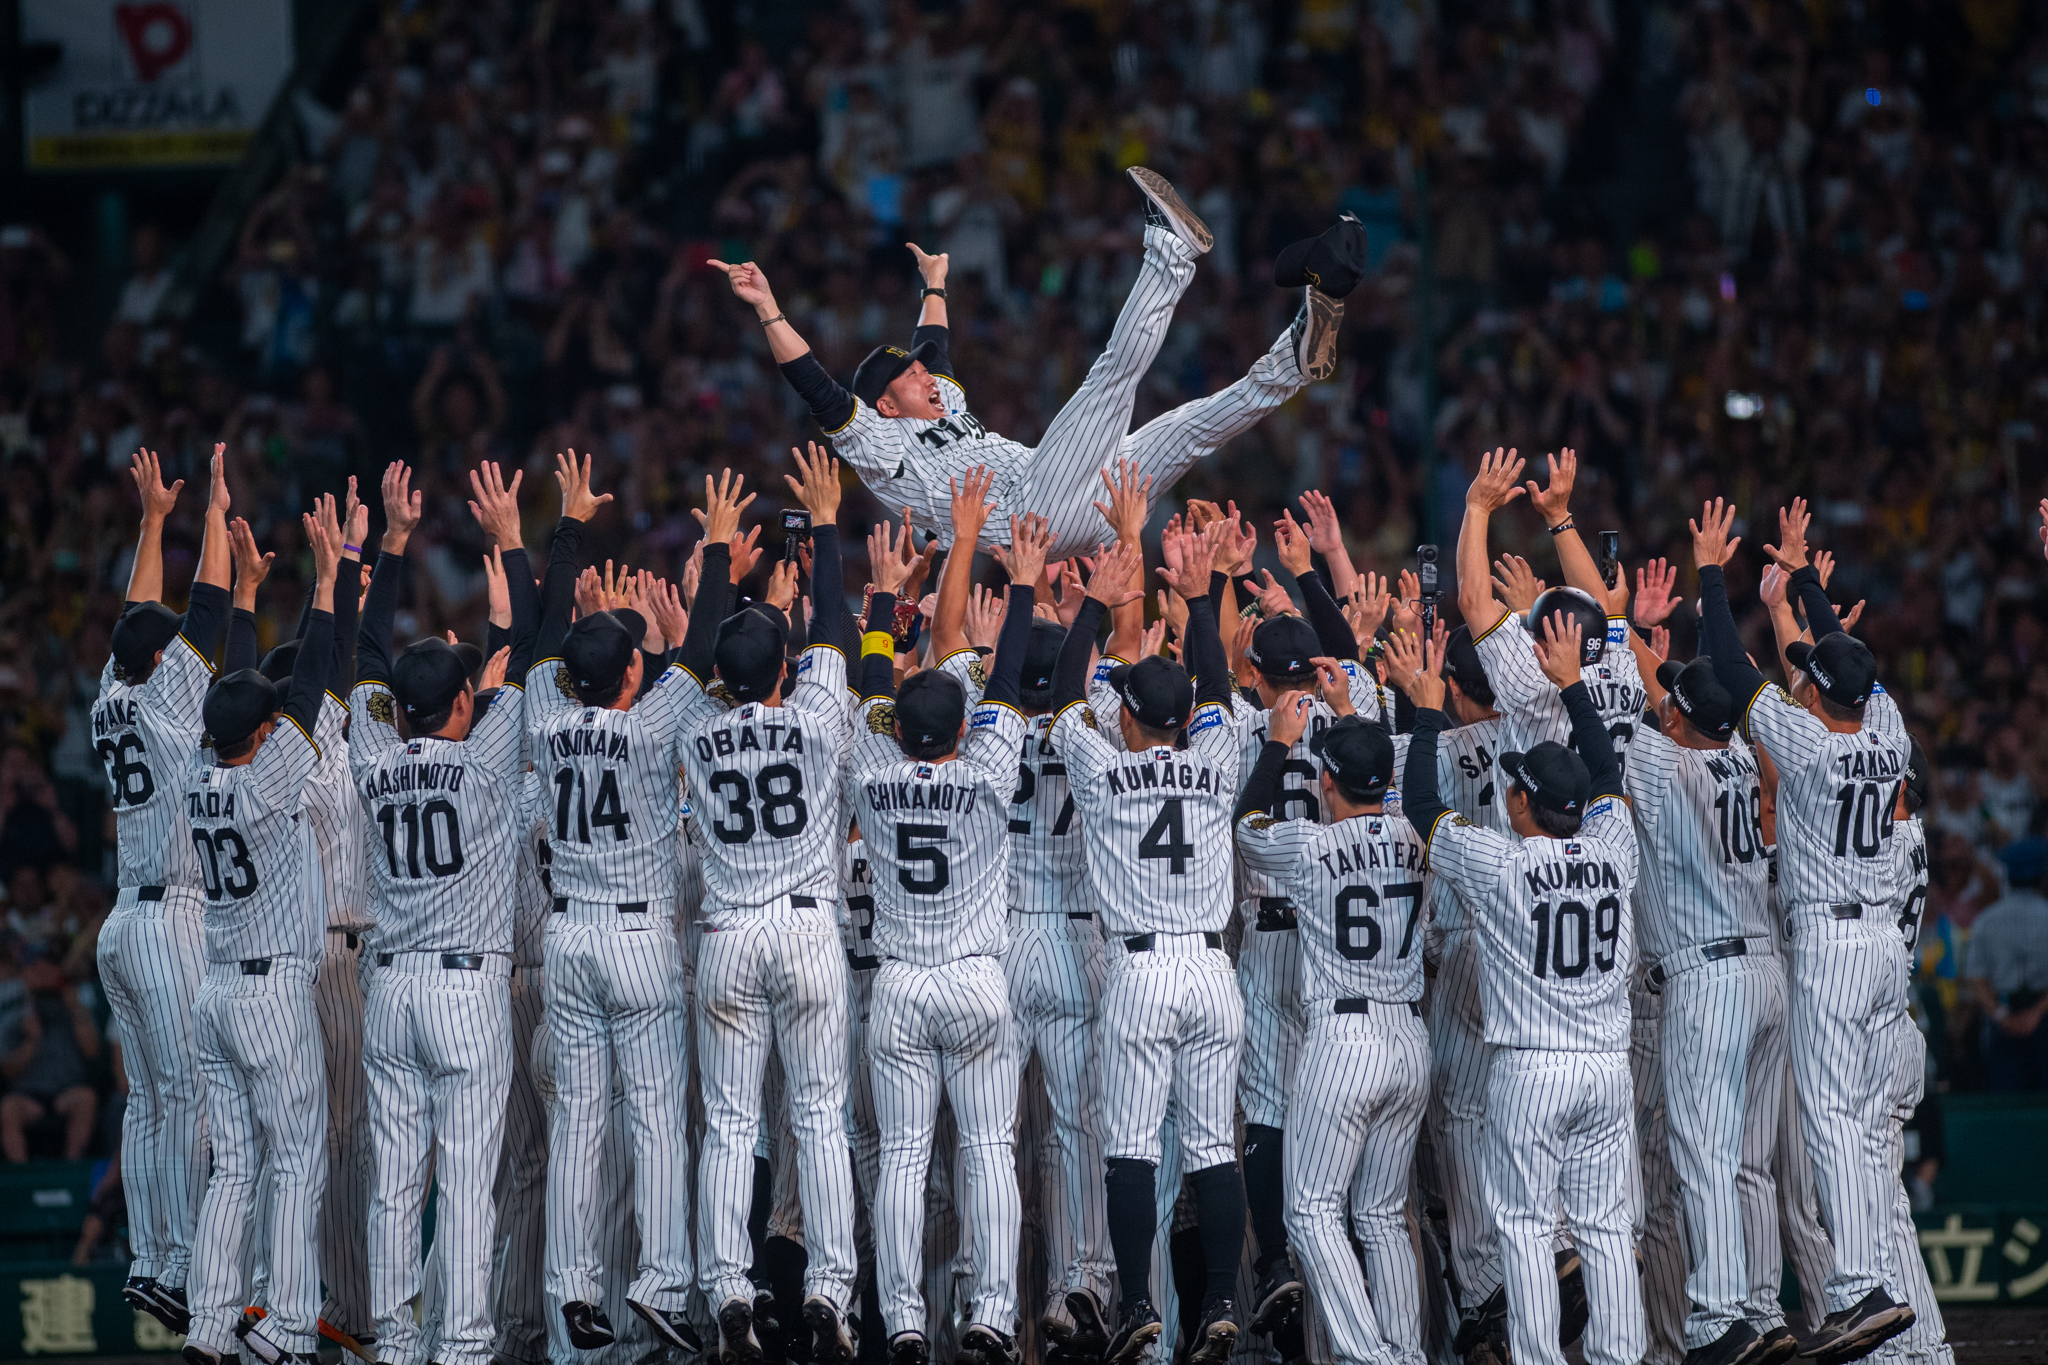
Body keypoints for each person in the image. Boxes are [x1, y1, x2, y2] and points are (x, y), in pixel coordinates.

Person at [711, 169, 1366, 557]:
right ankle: (1169, 252)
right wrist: (768, 307)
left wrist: (935, 284)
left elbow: (934, 348)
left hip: (1081, 503)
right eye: (907, 377)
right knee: (1111, 376)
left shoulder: (944, 400)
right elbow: (819, 391)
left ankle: (1295, 359)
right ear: (885, 402)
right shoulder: (879, 441)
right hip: (1028, 518)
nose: (924, 374)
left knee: (1190, 427)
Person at [1693, 498, 1917, 1365]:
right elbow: (1855, 667)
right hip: (1883, 950)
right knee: (1857, 1125)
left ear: (1820, 692)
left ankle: (1860, 1284)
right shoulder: (1888, 728)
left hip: (1826, 938)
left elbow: (1725, 662)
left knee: (1829, 1117)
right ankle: (1870, 1281)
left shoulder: (1813, 745)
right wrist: (1809, 586)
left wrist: (1715, 572)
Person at [1395, 612, 1644, 1365]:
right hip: (1606, 1066)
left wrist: (1428, 706)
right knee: (1604, 1229)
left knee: (1529, 1230)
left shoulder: (1501, 867)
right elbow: (1607, 774)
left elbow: (1420, 809)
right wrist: (1573, 687)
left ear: (1523, 804)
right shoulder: (1613, 848)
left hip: (1531, 1068)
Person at [346, 459, 545, 1365]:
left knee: (398, 1182)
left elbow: (362, 659)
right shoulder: (490, 756)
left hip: (389, 991)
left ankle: (394, 1342)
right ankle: (460, 1346)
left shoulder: (378, 758)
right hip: (465, 994)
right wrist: (510, 542)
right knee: (467, 1181)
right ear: (462, 700)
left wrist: (387, 543)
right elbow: (527, 648)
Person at [845, 509, 1047, 1365]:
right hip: (973, 980)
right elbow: (1004, 683)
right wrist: (1027, 585)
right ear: (961, 731)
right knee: (988, 1152)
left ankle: (901, 1320)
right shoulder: (988, 768)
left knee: (901, 1156)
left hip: (896, 983)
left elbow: (863, 694)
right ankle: (992, 1314)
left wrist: (888, 605)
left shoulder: (872, 765)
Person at [674, 450, 862, 1365]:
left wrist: (717, 556)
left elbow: (695, 656)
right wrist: (826, 527)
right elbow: (834, 626)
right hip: (806, 924)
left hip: (729, 932)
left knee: (730, 1123)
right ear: (786, 666)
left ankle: (728, 1289)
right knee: (820, 1113)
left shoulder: (696, 724)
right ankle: (829, 1287)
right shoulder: (819, 711)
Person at [1048, 525, 1246, 1365]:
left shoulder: (1101, 766)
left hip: (1139, 970)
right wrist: (1202, 599)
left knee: (1129, 1145)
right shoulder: (1219, 756)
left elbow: (1062, 695)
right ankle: (1225, 1298)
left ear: (1127, 714)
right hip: (1212, 970)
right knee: (1209, 1147)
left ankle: (1136, 1303)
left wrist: (1092, 605)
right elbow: (1224, 697)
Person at [523, 453, 699, 1354]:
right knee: (656, 1114)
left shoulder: (545, 719)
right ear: (632, 672)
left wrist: (566, 533)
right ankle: (663, 1278)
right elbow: (697, 667)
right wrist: (699, 593)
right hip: (635, 937)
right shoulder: (652, 720)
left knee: (580, 1124)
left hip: (569, 937)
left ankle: (572, 1295)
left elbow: (550, 641)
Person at [180, 493, 344, 1365]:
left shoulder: (204, 771)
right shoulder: (268, 770)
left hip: (214, 989)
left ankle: (209, 1328)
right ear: (260, 733)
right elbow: (309, 683)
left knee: (234, 1170)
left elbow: (226, 696)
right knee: (294, 1166)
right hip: (274, 991)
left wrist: (244, 600)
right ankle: (282, 1325)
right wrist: (326, 581)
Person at [1235, 673, 1428, 1365]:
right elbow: (1404, 786)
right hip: (1410, 1037)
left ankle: (1366, 1355)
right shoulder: (1415, 830)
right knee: (1378, 1215)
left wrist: (1278, 745)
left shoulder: (1310, 846)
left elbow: (1247, 824)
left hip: (1344, 1039)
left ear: (1326, 781)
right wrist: (1355, 714)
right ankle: (1404, 1352)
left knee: (1312, 1210)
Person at [91, 447, 231, 1335]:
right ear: (163, 658)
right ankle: (178, 1262)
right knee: (181, 1094)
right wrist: (214, 513)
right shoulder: (174, 693)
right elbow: (210, 609)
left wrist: (152, 521)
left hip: (119, 919)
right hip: (173, 912)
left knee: (147, 1098)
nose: (180, 636)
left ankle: (150, 1257)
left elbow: (133, 618)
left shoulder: (114, 690)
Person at [1962, 836, 2048, 1091]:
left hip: (2003, 1013)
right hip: (2043, 1014)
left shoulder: (1986, 920)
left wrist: (2002, 1016)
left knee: (2006, 1105)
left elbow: (1976, 978)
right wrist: (2036, 1014)